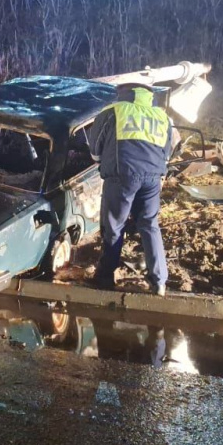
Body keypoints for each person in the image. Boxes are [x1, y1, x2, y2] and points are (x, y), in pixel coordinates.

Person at [87, 83, 174, 296]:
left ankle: (106, 276)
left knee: (115, 225)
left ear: (122, 94)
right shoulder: (163, 117)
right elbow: (167, 152)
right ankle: (159, 281)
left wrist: (105, 161)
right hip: (153, 177)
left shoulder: (112, 112)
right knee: (149, 224)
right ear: (149, 96)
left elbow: (94, 150)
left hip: (121, 175)